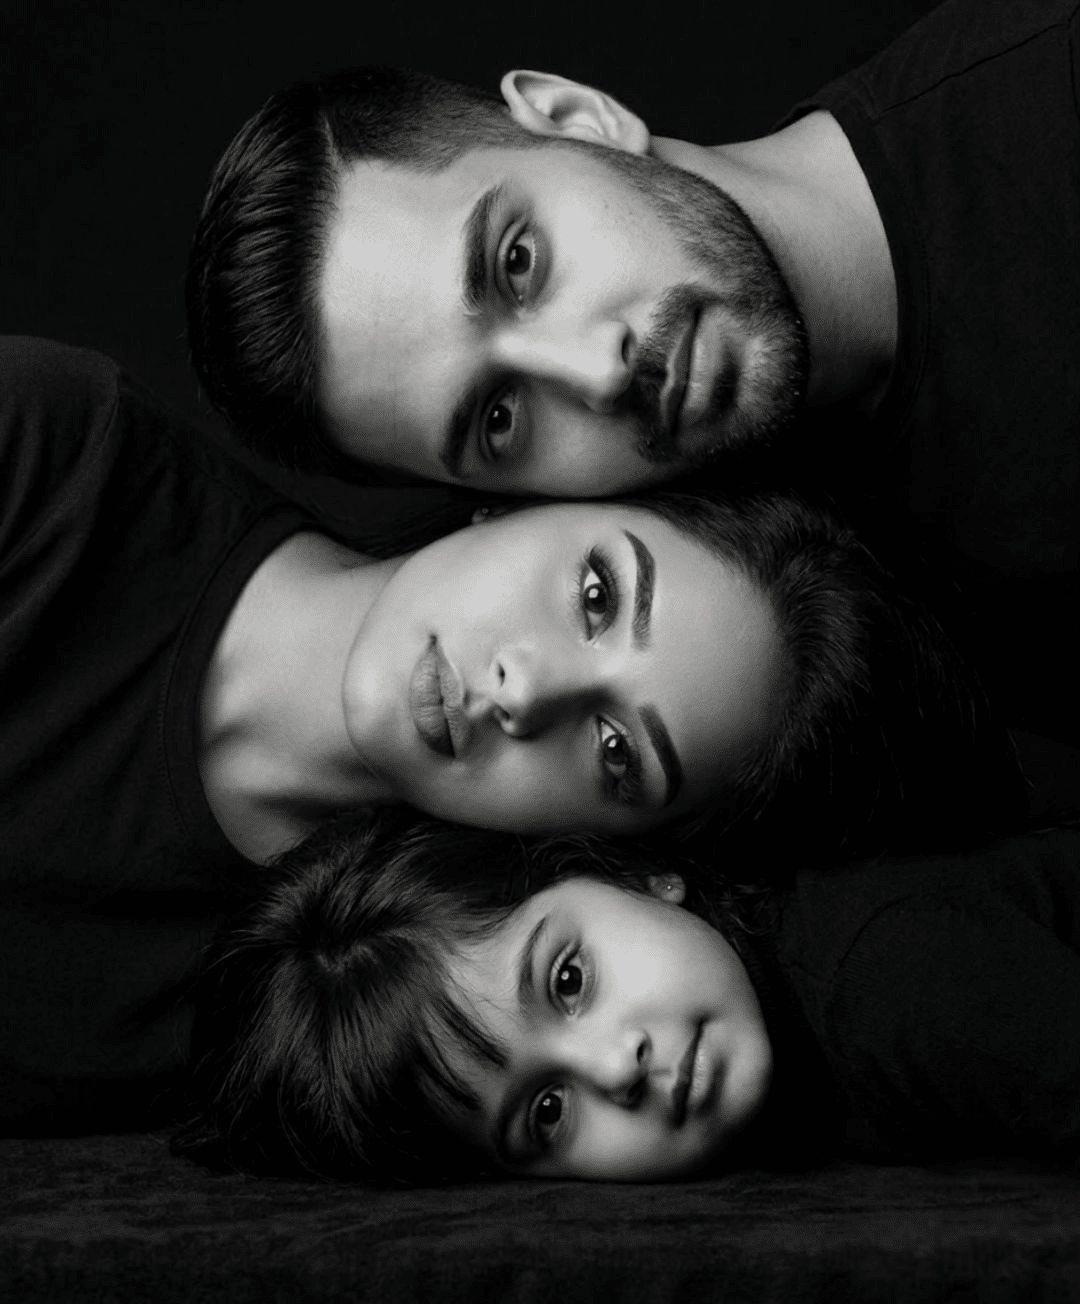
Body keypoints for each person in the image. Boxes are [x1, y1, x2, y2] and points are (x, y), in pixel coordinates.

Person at [4, 335, 994, 1132]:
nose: (526, 691)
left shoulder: (326, 1029)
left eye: (616, 753)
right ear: (532, 497)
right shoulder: (56, 464)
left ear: (613, 850)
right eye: (597, 594)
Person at [187, 0, 1080, 748]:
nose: (597, 372)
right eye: (499, 419)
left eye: (518, 263)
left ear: (577, 117)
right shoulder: (790, 625)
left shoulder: (1047, 89)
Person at [178, 807, 1080, 1184]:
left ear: (634, 871)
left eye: (568, 980)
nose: (618, 1069)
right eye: (546, 1113)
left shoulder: (891, 979)